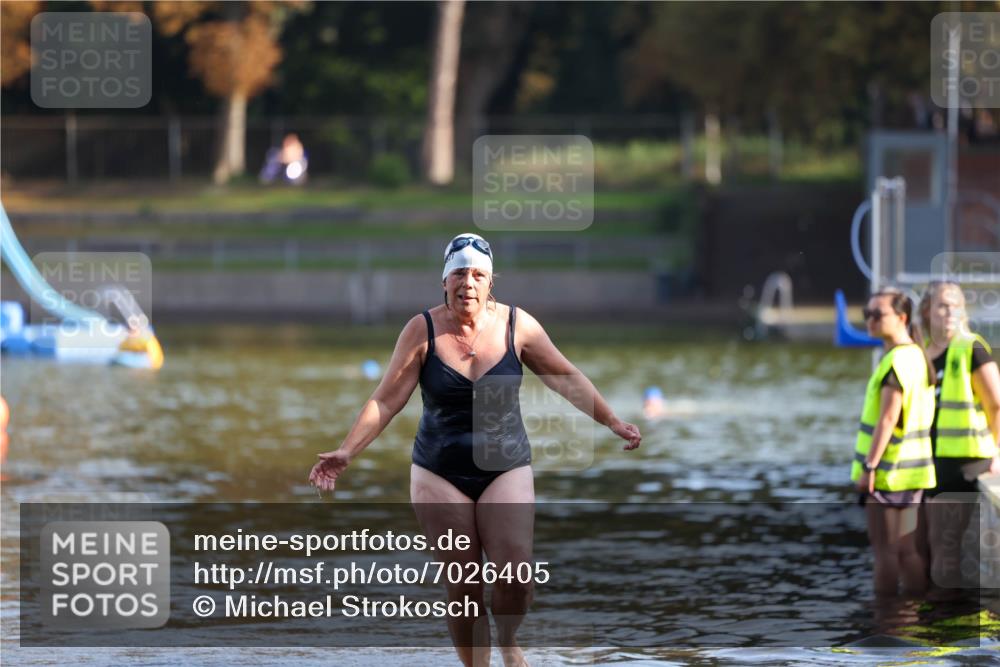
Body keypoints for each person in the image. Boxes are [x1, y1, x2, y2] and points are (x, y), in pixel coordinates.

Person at [308, 233, 642, 667]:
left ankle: (508, 639)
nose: (468, 283)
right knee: (464, 586)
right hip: (438, 471)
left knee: (516, 577)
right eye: (459, 274)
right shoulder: (421, 330)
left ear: (490, 283)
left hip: (506, 466)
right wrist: (347, 451)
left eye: (478, 275)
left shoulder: (517, 325)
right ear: (444, 281)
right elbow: (386, 400)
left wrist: (612, 421)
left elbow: (566, 378)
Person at [851, 288, 936, 596]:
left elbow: (888, 418)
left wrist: (869, 467)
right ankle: (913, 613)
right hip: (913, 471)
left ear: (901, 318)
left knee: (885, 552)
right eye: (867, 314)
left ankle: (887, 617)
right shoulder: (916, 355)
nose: (870, 320)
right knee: (907, 550)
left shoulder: (896, 362)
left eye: (878, 314)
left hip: (887, 473)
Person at [919, 281, 1000, 593]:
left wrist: (997, 452)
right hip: (929, 460)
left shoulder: (970, 347)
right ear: (927, 310)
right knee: (926, 546)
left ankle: (945, 616)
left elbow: (995, 403)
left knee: (945, 548)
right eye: (943, 305)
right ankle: (928, 610)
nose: (950, 311)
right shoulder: (922, 353)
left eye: (956, 305)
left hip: (964, 460)